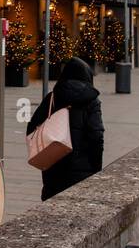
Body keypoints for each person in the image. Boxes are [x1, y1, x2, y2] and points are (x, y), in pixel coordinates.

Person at [27, 57, 105, 202]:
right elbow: (97, 137)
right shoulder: (92, 101)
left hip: (54, 167)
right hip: (82, 171)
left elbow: (32, 128)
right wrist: (96, 168)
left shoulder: (52, 98)